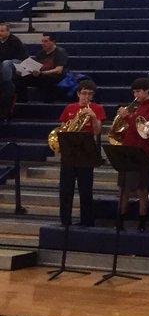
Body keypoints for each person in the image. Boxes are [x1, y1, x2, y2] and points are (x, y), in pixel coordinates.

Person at [56, 79, 104, 228]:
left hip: (86, 154)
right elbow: (63, 129)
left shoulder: (97, 108)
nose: (86, 97)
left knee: (85, 190)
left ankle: (87, 221)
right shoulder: (69, 108)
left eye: (90, 94)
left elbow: (97, 131)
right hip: (69, 154)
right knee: (65, 190)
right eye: (83, 93)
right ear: (78, 94)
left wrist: (93, 116)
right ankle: (65, 221)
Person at [117, 77, 149, 231]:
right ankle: (120, 220)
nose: (135, 95)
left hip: (141, 151)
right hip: (128, 150)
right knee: (123, 187)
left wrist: (127, 117)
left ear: (147, 91)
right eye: (134, 92)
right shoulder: (138, 106)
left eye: (138, 91)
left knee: (140, 188)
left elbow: (143, 129)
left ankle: (142, 222)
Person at [20, 33, 68, 101]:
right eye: (42, 41)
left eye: (46, 41)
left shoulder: (60, 52)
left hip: (55, 77)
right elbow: (35, 66)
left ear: (53, 42)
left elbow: (59, 70)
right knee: (21, 77)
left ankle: (48, 101)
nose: (43, 43)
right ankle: (22, 100)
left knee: (47, 78)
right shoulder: (41, 53)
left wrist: (43, 72)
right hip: (41, 75)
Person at [0, 22, 28, 118]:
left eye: (2, 31)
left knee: (6, 63)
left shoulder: (14, 41)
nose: (0, 33)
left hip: (17, 62)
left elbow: (21, 57)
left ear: (8, 32)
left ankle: (6, 82)